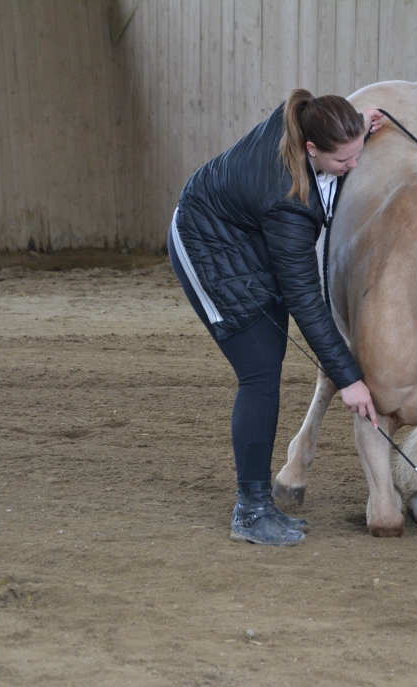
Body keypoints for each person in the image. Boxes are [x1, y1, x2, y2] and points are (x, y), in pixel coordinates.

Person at [167, 90, 384, 546]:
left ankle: (259, 504)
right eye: (344, 161)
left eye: (356, 154)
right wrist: (349, 378)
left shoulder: (305, 122)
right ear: (311, 150)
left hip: (246, 237)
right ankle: (250, 511)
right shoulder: (289, 201)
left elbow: (340, 135)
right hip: (206, 245)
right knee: (260, 371)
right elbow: (305, 297)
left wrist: (358, 126)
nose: (354, 167)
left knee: (271, 357)